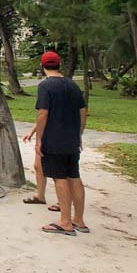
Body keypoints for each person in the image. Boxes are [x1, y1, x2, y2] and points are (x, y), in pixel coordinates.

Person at [31, 51, 88, 236]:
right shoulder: (72, 85)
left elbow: (42, 114)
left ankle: (65, 222)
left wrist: (39, 140)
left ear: (43, 66)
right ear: (59, 65)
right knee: (74, 177)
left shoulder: (46, 86)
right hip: (71, 140)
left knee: (59, 178)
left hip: (54, 140)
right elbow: (83, 110)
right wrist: (79, 133)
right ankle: (78, 220)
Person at [21, 124, 59, 212]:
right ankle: (40, 197)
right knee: (38, 166)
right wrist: (32, 132)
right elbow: (41, 118)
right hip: (44, 136)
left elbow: (43, 115)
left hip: (55, 136)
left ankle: (62, 201)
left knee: (57, 171)